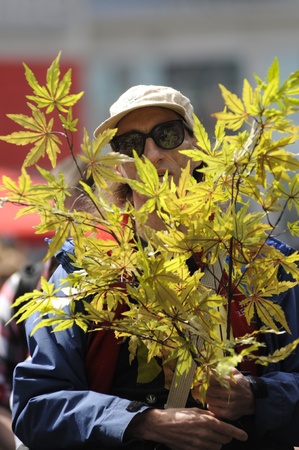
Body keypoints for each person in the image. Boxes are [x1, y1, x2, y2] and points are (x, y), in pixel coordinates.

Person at [11, 85, 299, 450]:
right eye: (130, 143)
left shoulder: (262, 264)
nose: (151, 153)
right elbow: (35, 404)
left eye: (167, 135)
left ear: (196, 148)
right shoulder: (85, 268)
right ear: (117, 163)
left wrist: (257, 395)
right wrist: (142, 422)